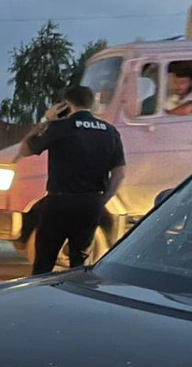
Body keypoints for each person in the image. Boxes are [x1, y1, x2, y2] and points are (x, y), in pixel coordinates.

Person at [14, 85, 127, 275]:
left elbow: (24, 150)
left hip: (59, 202)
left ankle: (40, 301)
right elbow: (119, 173)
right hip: (91, 203)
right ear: (91, 104)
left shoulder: (60, 128)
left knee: (44, 263)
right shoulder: (110, 131)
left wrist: (45, 120)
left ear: (66, 104)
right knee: (79, 264)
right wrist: (102, 200)